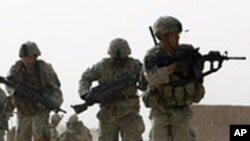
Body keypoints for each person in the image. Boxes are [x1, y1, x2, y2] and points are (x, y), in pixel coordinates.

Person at [142, 16, 205, 141]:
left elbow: (198, 71)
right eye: (174, 34)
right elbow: (152, 77)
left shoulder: (186, 52)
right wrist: (174, 67)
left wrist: (193, 64)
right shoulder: (153, 56)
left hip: (182, 110)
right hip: (160, 110)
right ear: (163, 36)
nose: (178, 37)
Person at [78, 38, 145, 141]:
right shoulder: (102, 66)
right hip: (108, 112)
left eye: (122, 59)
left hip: (129, 111)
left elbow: (146, 80)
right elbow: (85, 78)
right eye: (115, 59)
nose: (119, 61)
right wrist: (85, 93)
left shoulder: (135, 65)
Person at [5, 41, 63, 141]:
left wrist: (47, 102)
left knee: (39, 134)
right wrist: (15, 92)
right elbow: (8, 84)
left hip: (40, 108)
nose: (30, 60)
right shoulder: (16, 70)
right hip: (23, 110)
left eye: (32, 57)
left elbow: (56, 91)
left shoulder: (45, 69)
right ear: (22, 57)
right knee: (21, 137)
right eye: (27, 57)